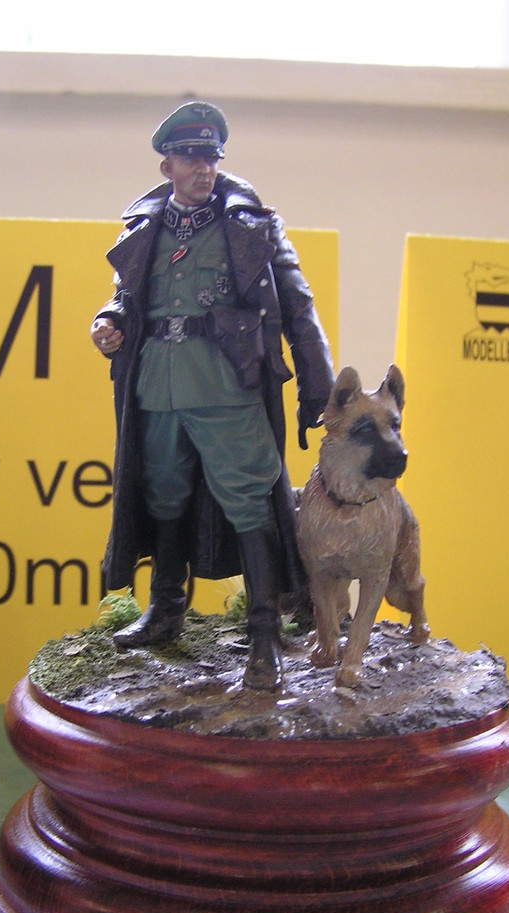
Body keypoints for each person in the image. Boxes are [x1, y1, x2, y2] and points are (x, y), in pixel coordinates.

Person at [90, 100, 334, 689]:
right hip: (158, 383)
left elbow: (298, 306)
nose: (203, 168)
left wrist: (318, 385)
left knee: (251, 500)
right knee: (163, 494)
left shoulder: (252, 225)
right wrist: (109, 319)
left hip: (226, 383)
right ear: (167, 167)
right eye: (189, 158)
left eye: (210, 157)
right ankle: (166, 608)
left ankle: (264, 632)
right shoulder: (144, 226)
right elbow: (127, 294)